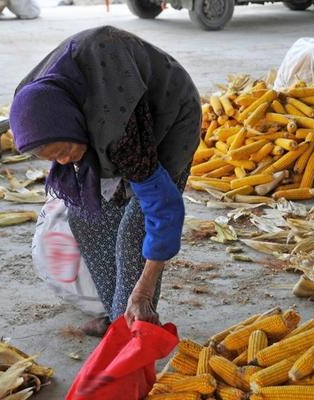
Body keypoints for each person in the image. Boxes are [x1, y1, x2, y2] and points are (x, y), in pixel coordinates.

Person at [10, 26, 201, 337]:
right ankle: (117, 315)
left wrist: (142, 291)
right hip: (108, 103)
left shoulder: (118, 135)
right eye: (52, 158)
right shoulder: (34, 100)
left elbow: (163, 210)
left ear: (73, 126)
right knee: (86, 218)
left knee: (133, 231)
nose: (61, 163)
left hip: (169, 114)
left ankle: (133, 321)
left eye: (62, 152)